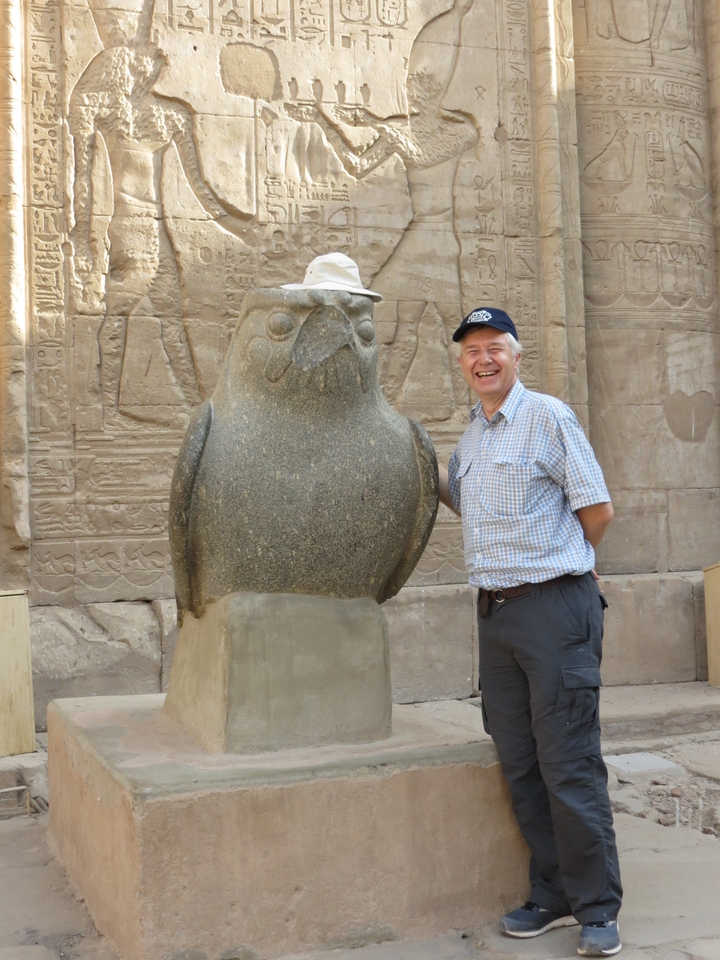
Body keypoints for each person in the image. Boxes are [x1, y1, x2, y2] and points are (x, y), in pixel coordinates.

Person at [438, 307, 622, 957]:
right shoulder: (473, 435)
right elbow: (464, 500)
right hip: (497, 615)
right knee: (520, 762)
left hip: (554, 609)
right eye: (471, 351)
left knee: (568, 763)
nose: (482, 359)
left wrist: (573, 564)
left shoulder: (547, 417)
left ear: (517, 357)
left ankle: (598, 907)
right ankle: (553, 893)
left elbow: (595, 508)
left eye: (494, 348)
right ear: (461, 363)